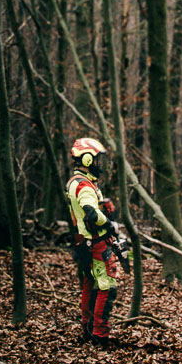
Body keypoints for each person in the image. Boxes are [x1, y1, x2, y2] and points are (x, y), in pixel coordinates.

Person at [66, 137, 122, 347]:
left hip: (84, 243)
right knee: (107, 287)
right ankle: (100, 334)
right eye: (97, 160)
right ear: (88, 160)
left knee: (90, 285)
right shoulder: (85, 186)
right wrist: (109, 224)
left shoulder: (76, 182)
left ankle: (88, 329)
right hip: (95, 242)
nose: (100, 165)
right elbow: (90, 211)